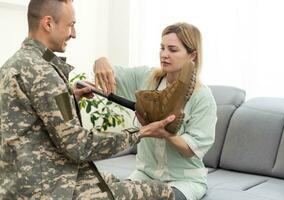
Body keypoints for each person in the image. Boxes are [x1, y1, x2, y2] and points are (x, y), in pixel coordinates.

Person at [0, 0, 177, 199]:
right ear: (48, 23)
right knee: (162, 191)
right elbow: (79, 146)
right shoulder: (44, 73)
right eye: (71, 25)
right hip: (47, 189)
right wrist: (142, 131)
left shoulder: (15, 64)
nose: (74, 34)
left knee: (111, 178)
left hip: (16, 183)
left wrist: (69, 96)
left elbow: (30, 114)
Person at [94, 22, 217, 200]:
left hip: (183, 181)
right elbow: (110, 75)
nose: (164, 55)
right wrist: (100, 61)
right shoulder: (147, 78)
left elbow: (192, 149)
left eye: (173, 50)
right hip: (145, 175)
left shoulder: (202, 97)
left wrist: (166, 133)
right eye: (162, 48)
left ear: (192, 56)